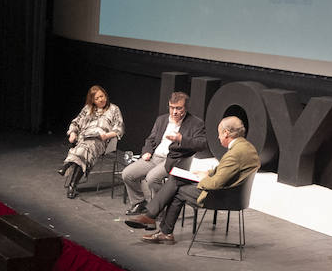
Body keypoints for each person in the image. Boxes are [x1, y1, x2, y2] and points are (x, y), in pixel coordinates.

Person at [126, 115, 260, 244]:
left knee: (176, 188)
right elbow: (225, 170)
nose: (218, 137)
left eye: (219, 133)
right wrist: (206, 172)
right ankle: (155, 221)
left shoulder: (235, 153)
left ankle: (157, 224)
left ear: (226, 133)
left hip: (222, 196)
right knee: (176, 181)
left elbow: (215, 183)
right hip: (234, 194)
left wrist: (201, 179)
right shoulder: (246, 147)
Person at [120, 90, 207, 215]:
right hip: (155, 157)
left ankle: (159, 208)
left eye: (178, 108)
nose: (174, 112)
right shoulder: (162, 120)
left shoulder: (196, 123)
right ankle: (139, 203)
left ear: (186, 108)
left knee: (152, 178)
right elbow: (151, 139)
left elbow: (201, 144)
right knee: (127, 174)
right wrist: (147, 151)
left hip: (175, 160)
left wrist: (181, 139)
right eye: (172, 108)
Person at [57, 84, 123, 193]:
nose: (100, 100)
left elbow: (119, 128)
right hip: (84, 138)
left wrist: (106, 135)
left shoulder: (114, 109)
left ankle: (68, 164)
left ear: (105, 95)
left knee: (86, 148)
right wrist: (73, 133)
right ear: (92, 101)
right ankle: (72, 186)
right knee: (85, 149)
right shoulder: (88, 109)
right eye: (97, 98)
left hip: (101, 141)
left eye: (101, 96)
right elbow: (76, 122)